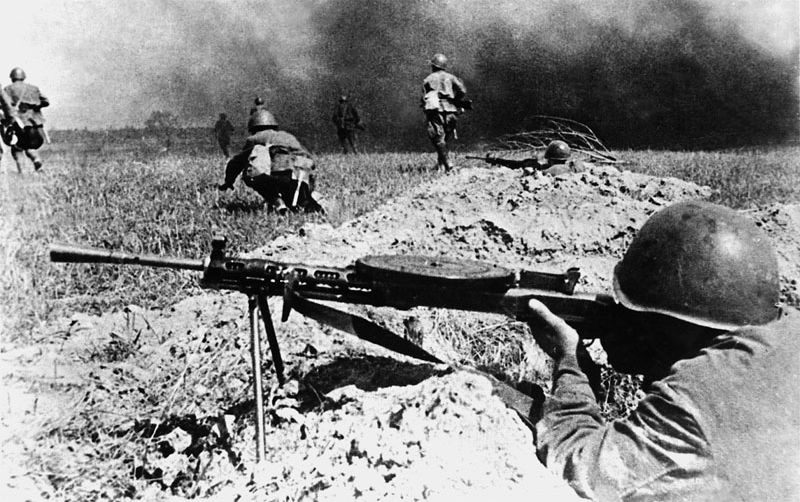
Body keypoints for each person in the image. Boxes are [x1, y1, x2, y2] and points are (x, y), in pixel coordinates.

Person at [524, 200, 799, 501]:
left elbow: (581, 466)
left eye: (636, 313)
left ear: (670, 324)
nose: (628, 322)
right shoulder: (788, 331)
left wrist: (571, 363)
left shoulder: (695, 398)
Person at [218, 109, 322, 214]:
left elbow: (237, 162)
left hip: (277, 174)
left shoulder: (254, 139)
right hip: (300, 175)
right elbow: (308, 158)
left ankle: (277, 202)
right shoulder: (288, 136)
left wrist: (228, 182)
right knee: (297, 202)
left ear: (253, 127)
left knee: (251, 174)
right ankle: (308, 202)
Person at [421, 53, 469, 172]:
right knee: (446, 138)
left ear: (434, 66)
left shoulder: (428, 79)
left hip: (435, 110)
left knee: (438, 139)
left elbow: (424, 97)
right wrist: (456, 100)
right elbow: (462, 90)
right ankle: (441, 165)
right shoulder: (451, 77)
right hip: (451, 110)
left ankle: (448, 164)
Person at [4, 67, 49, 172]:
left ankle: (22, 172)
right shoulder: (34, 88)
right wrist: (35, 106)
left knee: (17, 147)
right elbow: (46, 101)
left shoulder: (7, 89)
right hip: (33, 122)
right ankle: (36, 159)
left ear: (12, 77)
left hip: (17, 122)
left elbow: (4, 104)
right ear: (23, 77)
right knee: (30, 146)